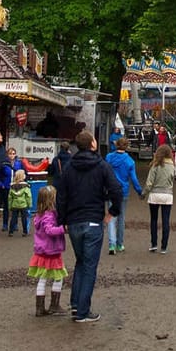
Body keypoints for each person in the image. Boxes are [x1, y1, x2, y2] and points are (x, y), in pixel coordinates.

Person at [51, 129, 123, 323]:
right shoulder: (102, 166)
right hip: (93, 220)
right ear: (92, 144)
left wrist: (62, 219)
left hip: (74, 222)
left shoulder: (69, 167)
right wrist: (113, 212)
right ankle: (83, 311)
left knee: (81, 262)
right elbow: (117, 189)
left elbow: (61, 195)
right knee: (89, 266)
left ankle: (76, 305)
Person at [28, 184, 68, 316]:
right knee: (58, 278)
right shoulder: (49, 215)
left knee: (43, 279)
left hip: (41, 251)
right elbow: (49, 230)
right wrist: (63, 229)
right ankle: (54, 305)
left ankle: (39, 308)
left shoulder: (38, 215)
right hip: (51, 251)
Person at [103, 132, 144, 253]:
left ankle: (111, 244)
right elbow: (134, 178)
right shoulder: (130, 161)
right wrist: (139, 191)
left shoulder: (109, 157)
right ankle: (120, 244)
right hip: (123, 191)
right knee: (121, 217)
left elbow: (104, 173)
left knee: (111, 216)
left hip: (110, 189)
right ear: (126, 146)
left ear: (116, 145)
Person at [144, 144, 176, 253]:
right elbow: (172, 179)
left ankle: (153, 244)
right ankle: (164, 246)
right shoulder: (172, 165)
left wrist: (143, 193)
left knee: (154, 220)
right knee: (165, 221)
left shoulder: (155, 165)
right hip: (167, 195)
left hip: (155, 195)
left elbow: (149, 182)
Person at [5, 155, 32, 235]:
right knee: (24, 218)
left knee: (13, 218)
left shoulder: (12, 186)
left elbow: (10, 197)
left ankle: (11, 231)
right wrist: (29, 204)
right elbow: (28, 196)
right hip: (23, 204)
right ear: (22, 177)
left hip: (14, 204)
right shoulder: (26, 186)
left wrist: (9, 206)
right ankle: (25, 231)